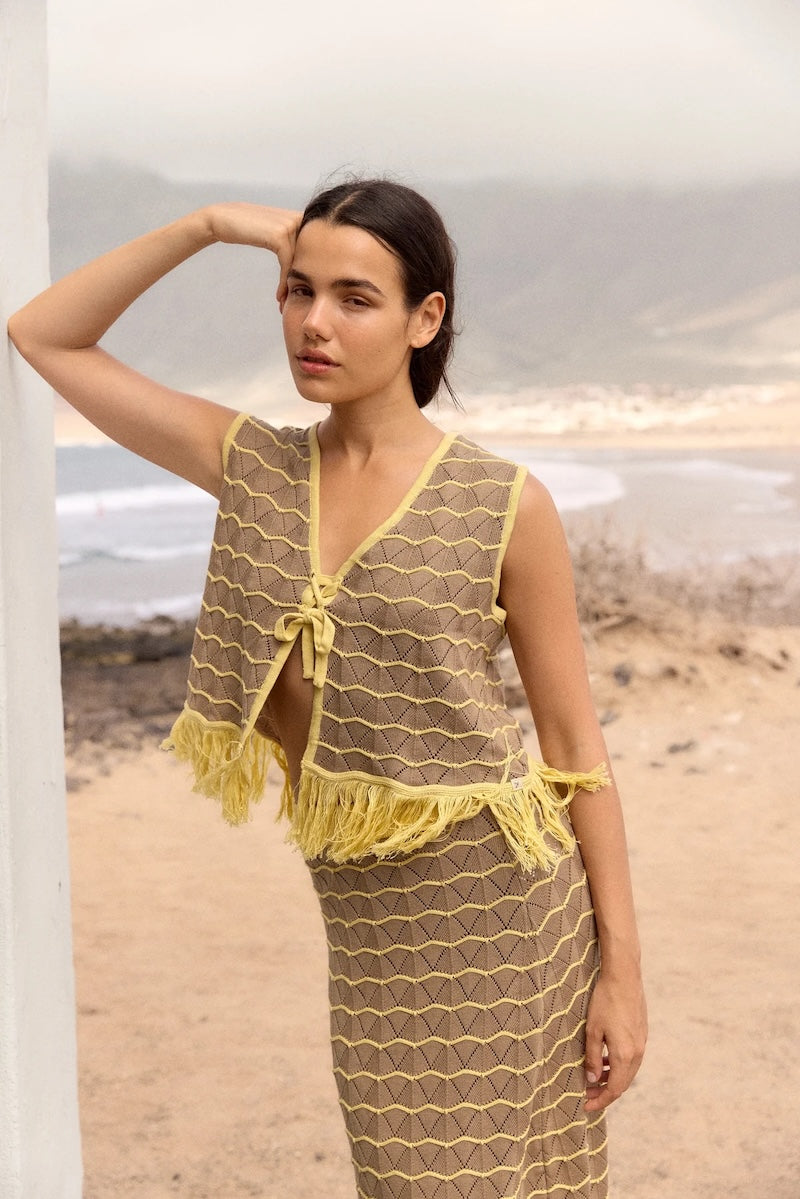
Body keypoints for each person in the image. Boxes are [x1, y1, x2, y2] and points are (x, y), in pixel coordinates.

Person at [8, 178, 647, 1198]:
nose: (313, 322)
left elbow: (576, 750)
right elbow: (45, 335)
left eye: (355, 297)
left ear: (422, 317)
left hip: (503, 906)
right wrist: (209, 225)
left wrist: (620, 971)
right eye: (297, 290)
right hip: (367, 927)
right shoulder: (254, 466)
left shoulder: (503, 503)